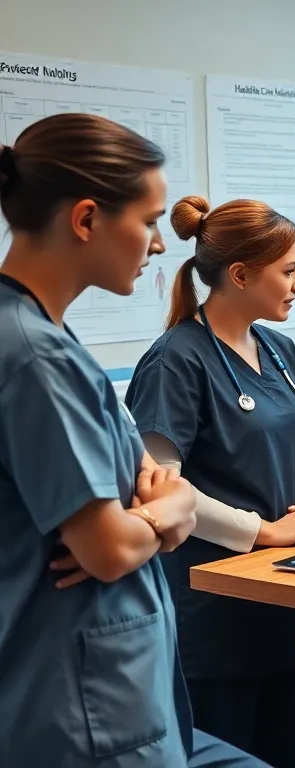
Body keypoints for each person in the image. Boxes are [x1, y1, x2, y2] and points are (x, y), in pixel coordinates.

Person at [0, 113, 263, 766]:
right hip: (83, 704)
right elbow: (111, 548)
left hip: (95, 683)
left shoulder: (35, 334)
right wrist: (168, 512)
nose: (157, 244)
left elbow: (148, 481)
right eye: (147, 222)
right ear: (86, 220)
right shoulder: (37, 359)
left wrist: (159, 509)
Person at [125, 195, 295, 768]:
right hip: (214, 611)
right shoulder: (177, 360)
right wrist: (264, 532)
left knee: (279, 752)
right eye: (289, 270)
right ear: (241, 274)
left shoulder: (279, 347)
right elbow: (158, 484)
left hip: (286, 593)